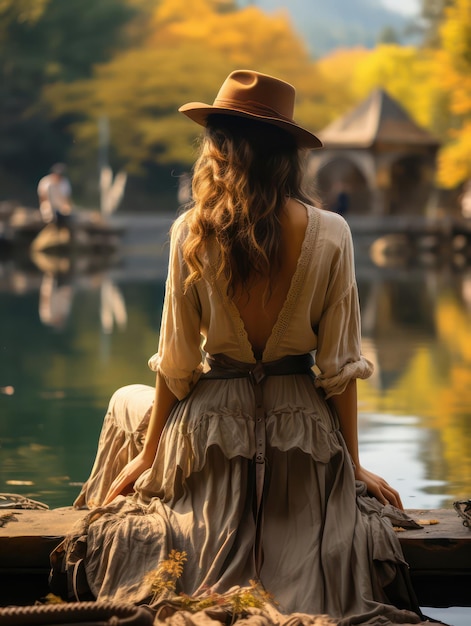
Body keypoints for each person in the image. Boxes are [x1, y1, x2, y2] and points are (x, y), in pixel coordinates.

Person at [52, 71, 430, 626]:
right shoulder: (333, 232)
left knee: (123, 402)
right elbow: (338, 371)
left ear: (222, 147)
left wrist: (150, 456)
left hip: (213, 432)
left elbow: (177, 368)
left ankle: (131, 492)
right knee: (137, 408)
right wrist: (350, 465)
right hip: (302, 438)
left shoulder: (191, 231)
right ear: (288, 155)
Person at [37, 163, 73, 227]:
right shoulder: (45, 182)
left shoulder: (64, 182)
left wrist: (66, 207)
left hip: (61, 205)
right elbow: (42, 197)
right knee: (48, 213)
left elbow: (66, 198)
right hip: (48, 204)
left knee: (67, 213)